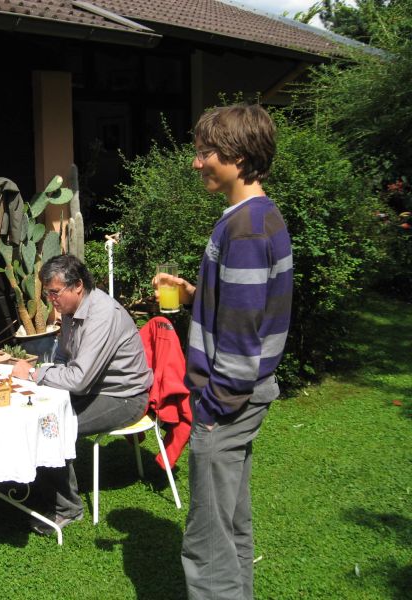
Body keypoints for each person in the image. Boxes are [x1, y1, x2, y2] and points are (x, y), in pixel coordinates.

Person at [153, 103, 293, 600]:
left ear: (237, 156)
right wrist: (195, 296)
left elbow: (242, 330)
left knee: (208, 539)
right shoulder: (253, 218)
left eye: (206, 152)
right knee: (230, 520)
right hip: (241, 393)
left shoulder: (247, 229)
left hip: (228, 399)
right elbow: (241, 306)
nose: (197, 162)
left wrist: (213, 405)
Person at [11, 254, 153, 534]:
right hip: (96, 387)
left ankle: (67, 509)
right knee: (33, 411)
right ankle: (35, 484)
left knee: (52, 425)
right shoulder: (70, 309)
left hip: (124, 397)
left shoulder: (102, 315)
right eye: (48, 293)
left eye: (54, 292)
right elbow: (64, 357)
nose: (50, 299)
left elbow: (79, 380)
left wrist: (34, 374)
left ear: (77, 285)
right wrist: (48, 378)